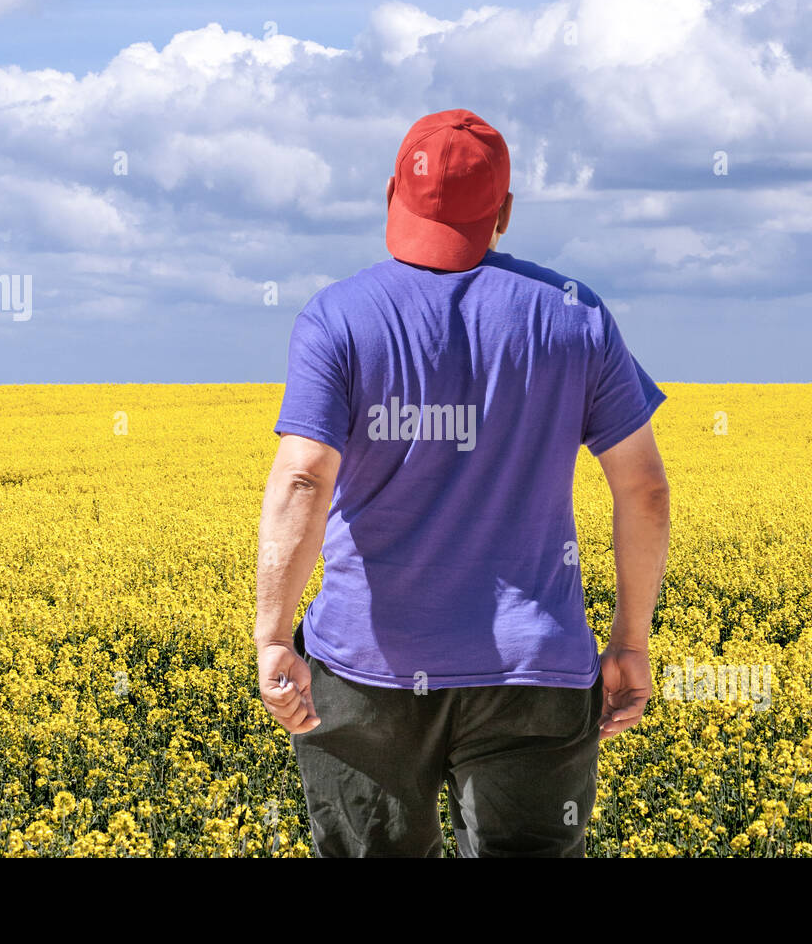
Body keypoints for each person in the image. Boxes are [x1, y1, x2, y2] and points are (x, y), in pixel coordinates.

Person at [253, 108, 670, 857]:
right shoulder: (575, 317)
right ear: (504, 211)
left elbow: (304, 481)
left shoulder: (338, 317)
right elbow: (644, 490)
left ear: (390, 194)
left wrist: (273, 635)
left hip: (366, 667)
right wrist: (630, 641)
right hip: (532, 670)